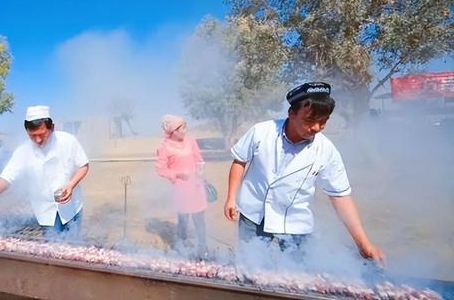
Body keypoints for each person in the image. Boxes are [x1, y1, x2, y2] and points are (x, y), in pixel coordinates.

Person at [223, 82, 386, 264]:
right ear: (292, 114)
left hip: (295, 221)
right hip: (254, 213)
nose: (316, 127)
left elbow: (340, 196)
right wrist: (231, 197)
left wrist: (363, 244)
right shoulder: (262, 132)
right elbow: (240, 161)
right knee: (251, 265)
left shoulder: (326, 150)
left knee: (297, 273)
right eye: (310, 120)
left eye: (323, 121)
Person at [0, 105, 89, 238]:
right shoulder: (23, 151)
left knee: (74, 245)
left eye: (42, 134)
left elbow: (83, 165)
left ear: (52, 128)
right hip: (45, 211)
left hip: (72, 207)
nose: (38, 140)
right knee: (54, 248)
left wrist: (71, 185)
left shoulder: (67, 141)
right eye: (32, 136)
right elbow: (7, 177)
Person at [156, 115, 208, 257]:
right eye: (182, 128)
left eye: (185, 127)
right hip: (181, 189)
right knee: (183, 221)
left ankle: (203, 250)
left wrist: (200, 175)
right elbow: (161, 169)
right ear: (173, 130)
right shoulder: (164, 148)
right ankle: (181, 249)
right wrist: (178, 174)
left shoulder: (191, 142)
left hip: (196, 187)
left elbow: (199, 160)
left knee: (199, 220)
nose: (185, 131)